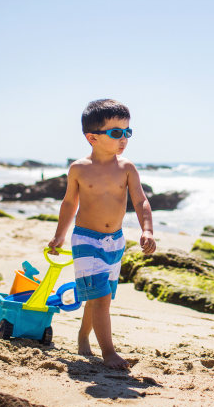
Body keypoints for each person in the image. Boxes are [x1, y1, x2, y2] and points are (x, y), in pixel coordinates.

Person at [48, 99, 155, 369]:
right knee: (100, 299)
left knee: (98, 294)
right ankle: (109, 353)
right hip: (85, 239)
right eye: (116, 132)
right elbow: (69, 204)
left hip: (115, 241)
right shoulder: (79, 169)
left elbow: (141, 201)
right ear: (92, 137)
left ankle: (84, 335)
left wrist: (147, 229)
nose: (124, 139)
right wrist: (60, 236)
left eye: (127, 132)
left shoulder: (127, 168)